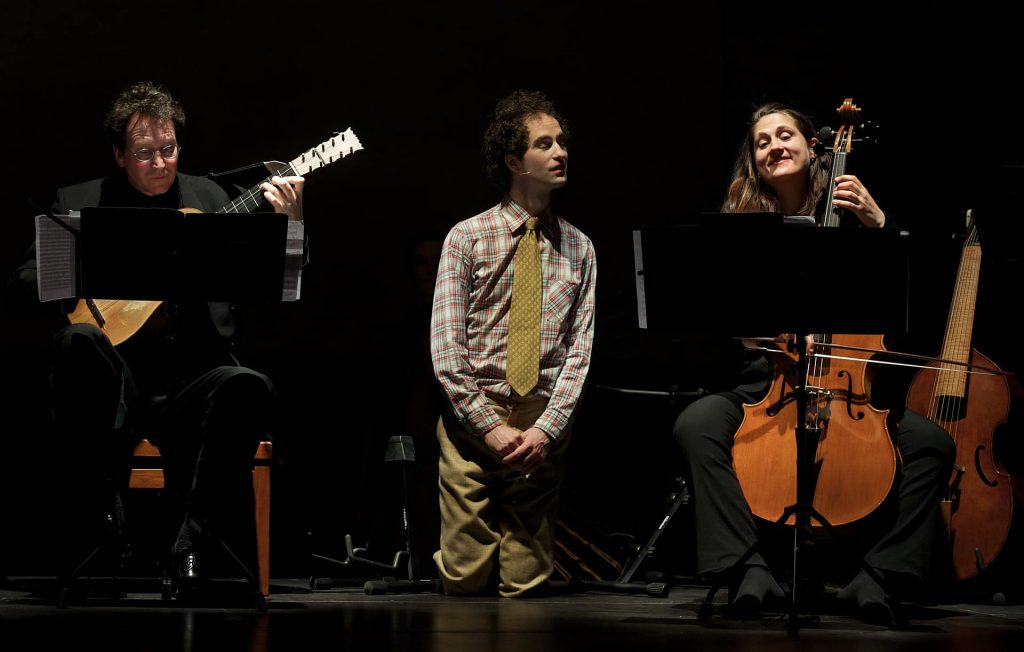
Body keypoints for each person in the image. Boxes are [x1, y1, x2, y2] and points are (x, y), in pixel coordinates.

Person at [5, 81, 304, 597]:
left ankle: (191, 540)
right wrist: (85, 267)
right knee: (77, 340)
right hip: (112, 389)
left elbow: (277, 286)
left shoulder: (212, 199)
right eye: (144, 153)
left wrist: (290, 226)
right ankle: (102, 524)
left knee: (247, 384)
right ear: (119, 154)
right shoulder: (80, 202)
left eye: (169, 149)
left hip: (190, 382)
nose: (160, 163)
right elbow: (20, 288)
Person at [672, 102, 955, 625]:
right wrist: (746, 332)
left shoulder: (853, 217)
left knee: (933, 445)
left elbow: (917, 298)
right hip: (767, 386)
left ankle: (881, 574)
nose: (774, 146)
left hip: (849, 389)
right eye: (762, 142)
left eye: (785, 135)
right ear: (754, 162)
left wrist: (880, 224)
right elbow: (717, 323)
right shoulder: (741, 229)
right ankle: (747, 568)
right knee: (698, 423)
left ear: (812, 146)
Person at [429, 89, 596, 597]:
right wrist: (488, 426)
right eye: (545, 144)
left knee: (525, 584)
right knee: (465, 578)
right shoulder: (467, 238)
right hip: (473, 418)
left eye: (561, 142)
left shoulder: (579, 247)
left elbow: (579, 351)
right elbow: (447, 349)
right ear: (513, 161)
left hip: (539, 420)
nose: (560, 152)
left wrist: (546, 429)